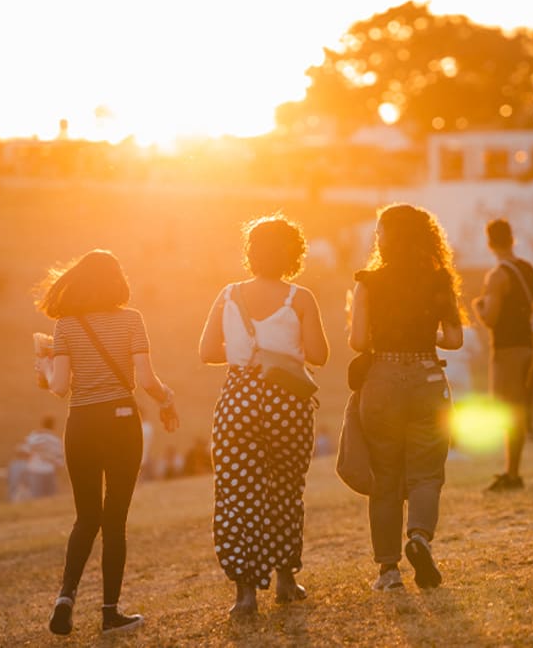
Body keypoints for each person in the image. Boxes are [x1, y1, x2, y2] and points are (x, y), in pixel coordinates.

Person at [34, 249, 179, 636]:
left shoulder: (65, 327)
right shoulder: (132, 320)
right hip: (120, 422)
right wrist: (167, 400)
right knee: (114, 521)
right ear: (117, 281)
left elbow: (60, 386)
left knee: (86, 518)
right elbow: (146, 380)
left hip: (80, 424)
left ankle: (65, 598)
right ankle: (110, 613)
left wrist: (45, 367)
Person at [198, 215, 328, 614]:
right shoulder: (300, 298)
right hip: (286, 403)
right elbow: (319, 355)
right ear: (294, 253)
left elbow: (207, 352)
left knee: (237, 494)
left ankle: (245, 592)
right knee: (286, 490)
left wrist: (244, 354)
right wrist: (281, 353)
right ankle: (286, 579)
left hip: (238, 400)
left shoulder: (228, 294)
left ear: (250, 252)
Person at [349, 204, 462, 591]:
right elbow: (455, 339)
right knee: (427, 473)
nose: (376, 237)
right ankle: (420, 538)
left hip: (381, 382)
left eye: (380, 231)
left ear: (388, 238)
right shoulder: (439, 280)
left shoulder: (367, 283)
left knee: (386, 477)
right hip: (428, 379)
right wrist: (422, 333)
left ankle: (389, 571)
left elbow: (358, 341)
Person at [473, 218, 533, 493]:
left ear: (490, 242)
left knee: (509, 411)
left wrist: (478, 307)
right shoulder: (526, 268)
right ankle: (512, 470)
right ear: (512, 238)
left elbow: (490, 318)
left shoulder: (497, 276)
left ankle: (512, 474)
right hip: (528, 345)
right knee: (518, 408)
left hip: (507, 350)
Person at [20, 417, 66, 499]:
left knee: (36, 497)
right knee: (50, 497)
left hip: (34, 470)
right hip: (49, 471)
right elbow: (60, 458)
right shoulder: (55, 440)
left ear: (42, 424)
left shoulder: (33, 436)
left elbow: (24, 451)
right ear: (53, 426)